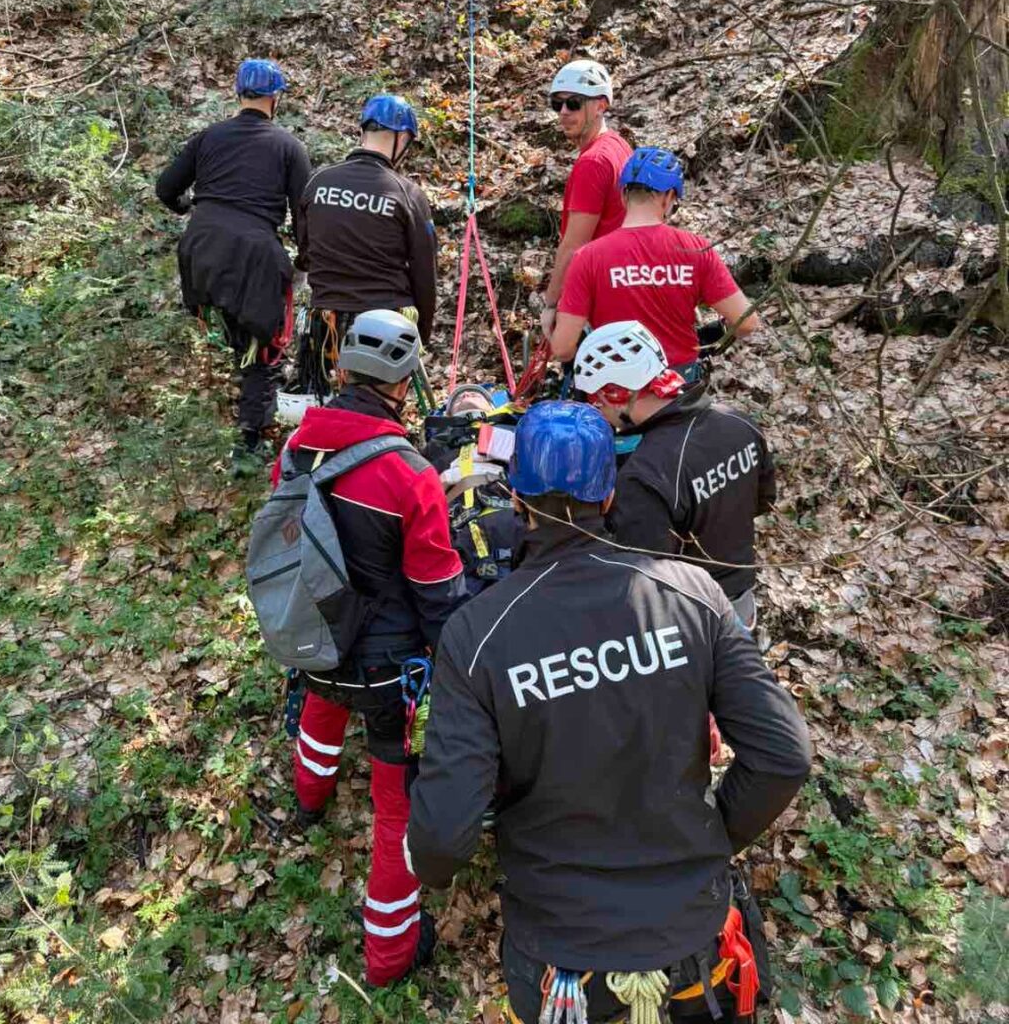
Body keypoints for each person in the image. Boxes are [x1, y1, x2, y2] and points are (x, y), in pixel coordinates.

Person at [407, 400, 811, 1024]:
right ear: (609, 492)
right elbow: (784, 754)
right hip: (696, 944)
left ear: (516, 496)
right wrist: (710, 839)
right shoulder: (691, 593)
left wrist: (426, 864)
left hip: (563, 956)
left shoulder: (477, 636)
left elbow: (443, 835)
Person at [275, 309, 467, 987]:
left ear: (343, 369)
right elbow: (437, 590)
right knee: (395, 811)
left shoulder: (298, 447)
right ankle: (386, 959)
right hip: (389, 676)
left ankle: (308, 801)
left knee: (321, 713)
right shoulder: (410, 474)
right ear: (403, 382)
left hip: (314, 641)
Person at [155, 58, 312, 468]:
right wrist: (308, 259)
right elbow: (305, 213)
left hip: (201, 250)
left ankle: (235, 377)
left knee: (237, 330)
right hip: (255, 254)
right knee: (263, 347)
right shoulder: (287, 147)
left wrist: (189, 206)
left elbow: (165, 188)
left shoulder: (208, 137)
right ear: (275, 97)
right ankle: (249, 442)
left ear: (238, 94)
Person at [575, 321, 776, 629]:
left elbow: (643, 578)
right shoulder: (739, 423)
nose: (599, 414)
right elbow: (763, 501)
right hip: (741, 600)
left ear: (615, 394)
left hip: (692, 620)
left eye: (596, 402)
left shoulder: (645, 476)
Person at [551, 146, 758, 373]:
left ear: (623, 195)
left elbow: (562, 348)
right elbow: (746, 322)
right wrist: (712, 334)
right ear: (669, 196)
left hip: (613, 392)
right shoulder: (696, 250)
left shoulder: (587, 258)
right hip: (680, 389)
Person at [294, 94, 437, 399]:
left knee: (326, 403)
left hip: (326, 321)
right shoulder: (408, 194)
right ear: (402, 138)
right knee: (376, 405)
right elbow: (425, 275)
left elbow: (305, 254)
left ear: (363, 131)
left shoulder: (317, 183)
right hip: (384, 325)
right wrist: (420, 335)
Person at [540, 59, 633, 342]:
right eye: (558, 104)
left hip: (599, 296)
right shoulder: (619, 146)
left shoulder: (593, 162)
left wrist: (552, 304)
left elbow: (574, 245)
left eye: (574, 103)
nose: (564, 112)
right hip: (622, 286)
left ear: (600, 106)